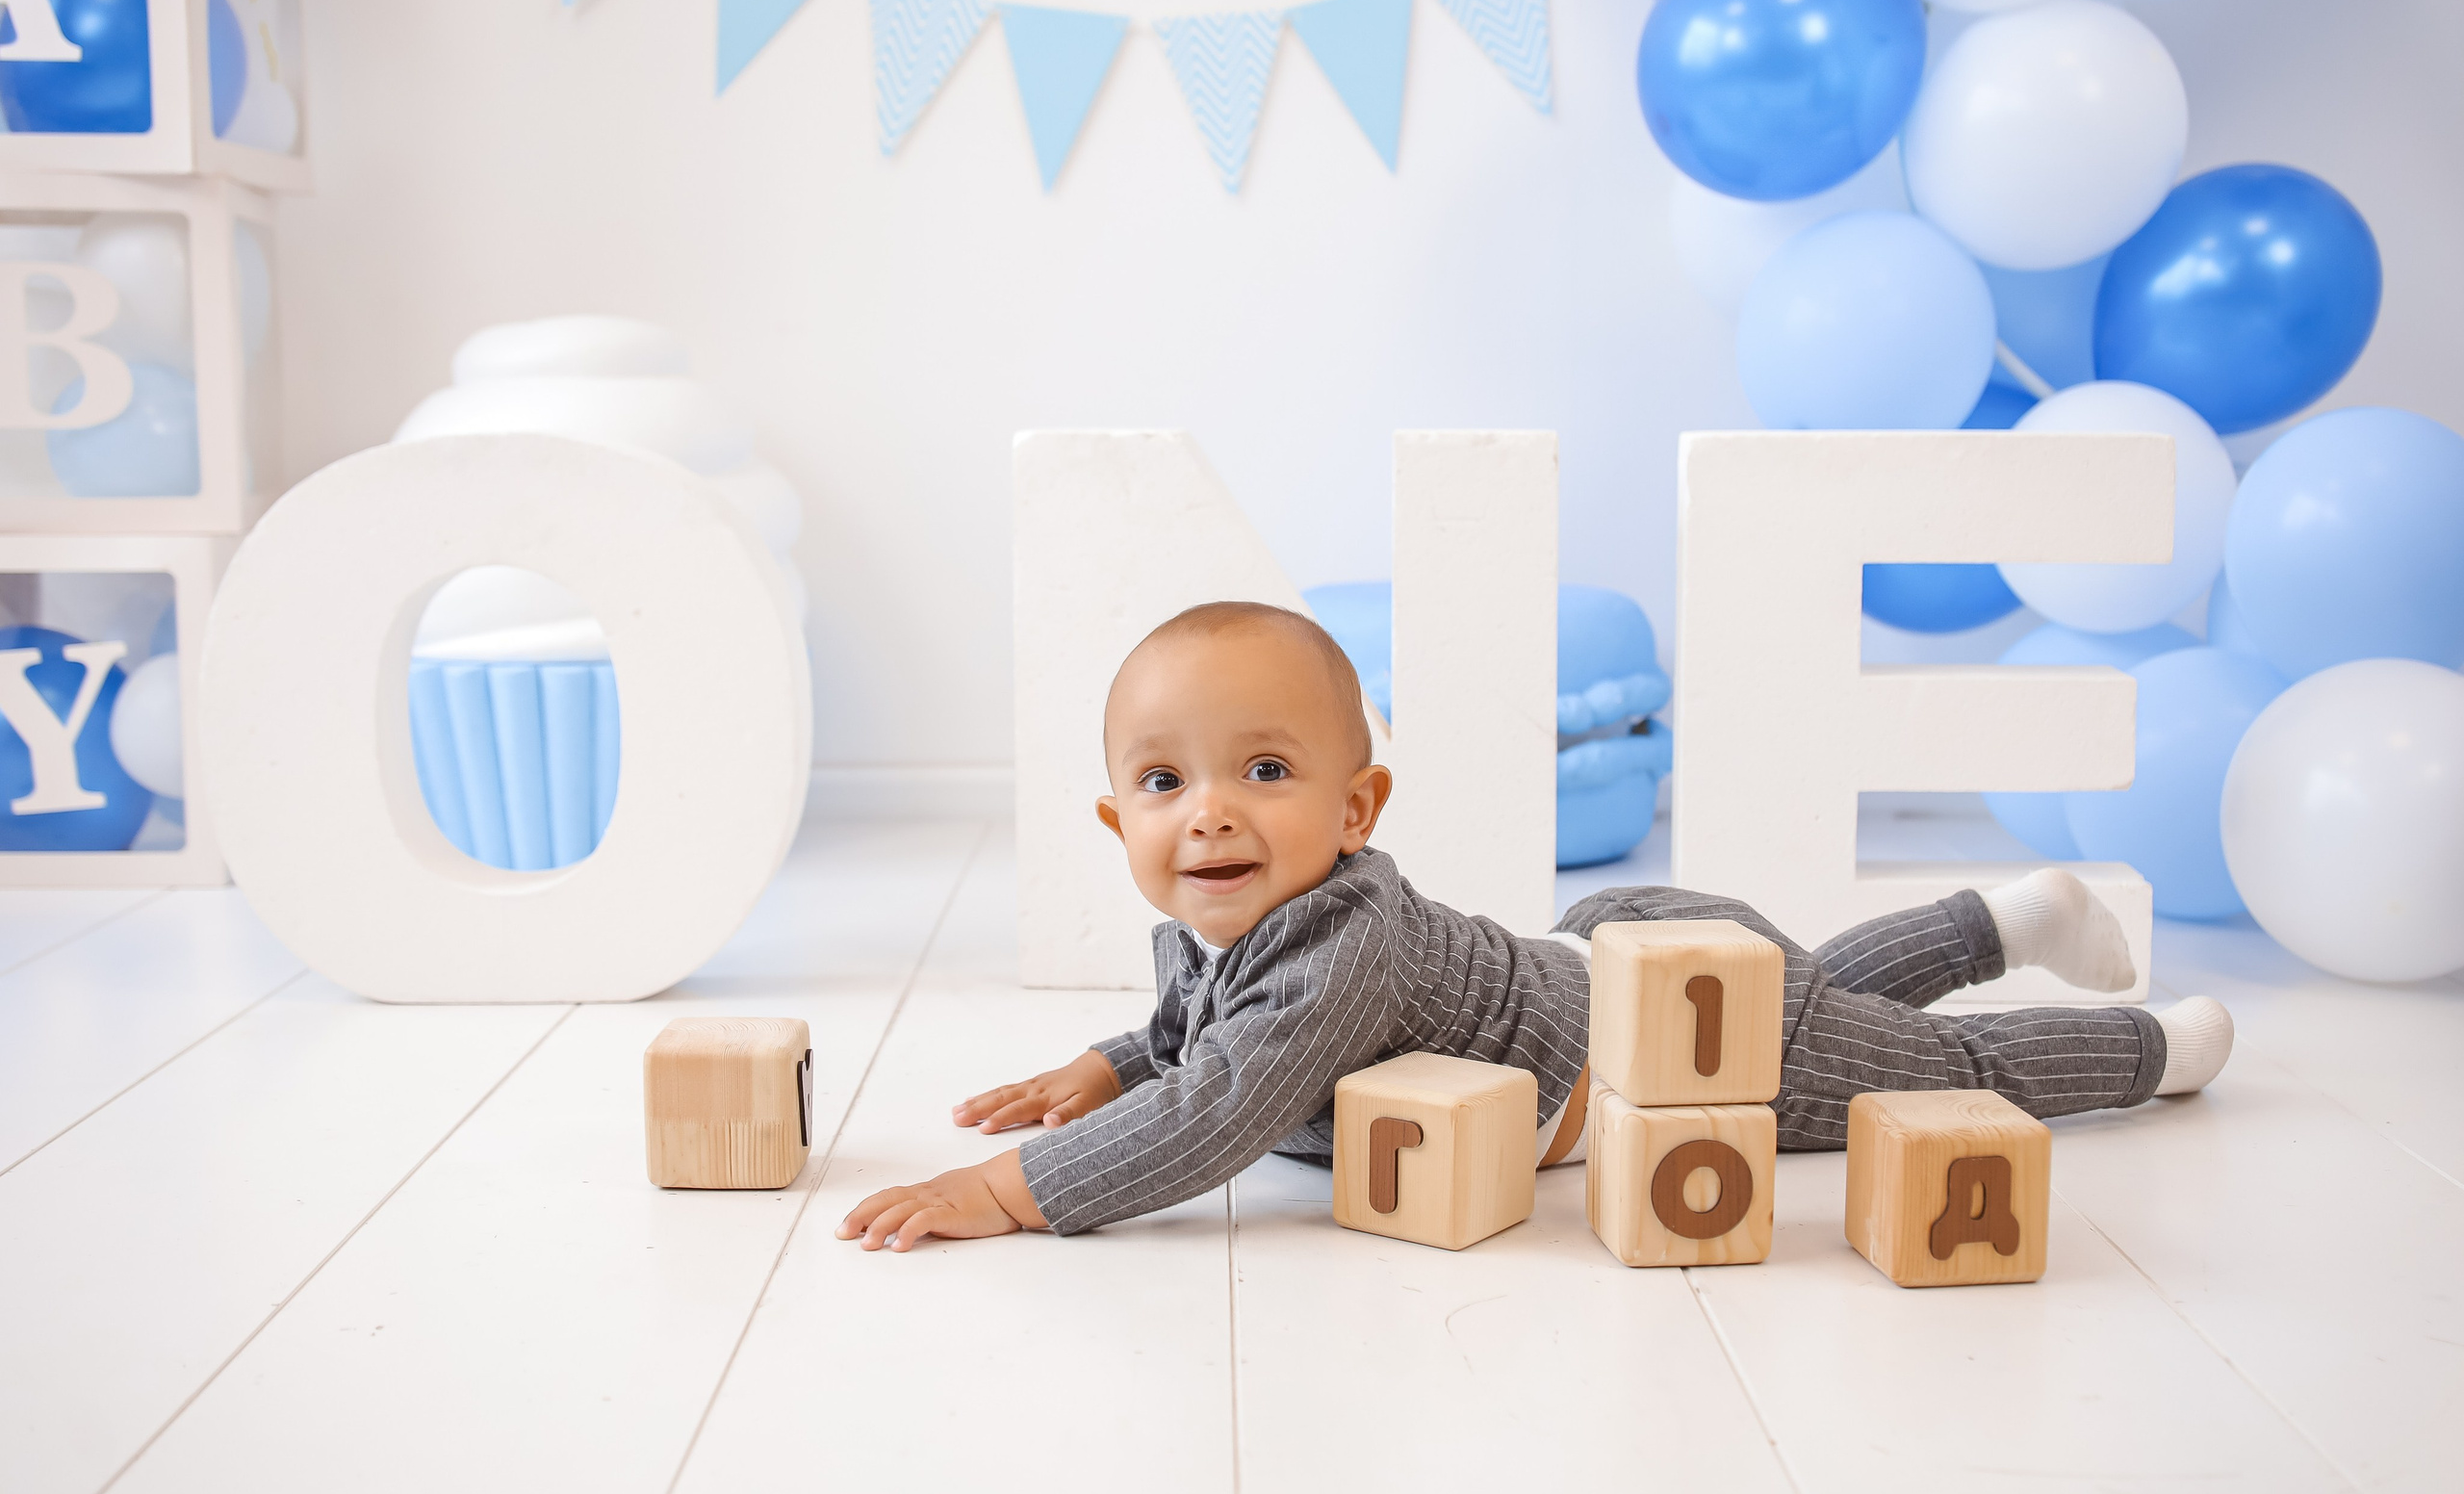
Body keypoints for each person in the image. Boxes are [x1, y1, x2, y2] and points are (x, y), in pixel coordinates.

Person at [836, 602, 2232, 1251]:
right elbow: (1185, 1034)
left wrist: (1008, 1193)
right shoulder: (1210, 920)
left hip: (1625, 1050)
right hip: (1617, 961)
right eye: (1163, 783)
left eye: (1265, 772)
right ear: (1116, 824)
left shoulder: (1342, 941)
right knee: (1809, 1000)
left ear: (1356, 808)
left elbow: (1221, 1110)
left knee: (1928, 1077)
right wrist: (1104, 1066)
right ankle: (2002, 913)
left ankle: (2150, 1049)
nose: (1208, 817)